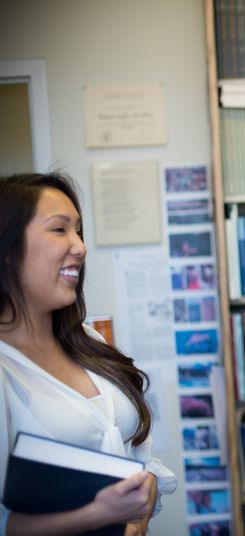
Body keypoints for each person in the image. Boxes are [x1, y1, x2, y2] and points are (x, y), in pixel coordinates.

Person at [0, 173, 177, 535]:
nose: (80, 246)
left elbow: (141, 461)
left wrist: (141, 508)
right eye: (59, 230)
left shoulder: (88, 339)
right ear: (7, 250)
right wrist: (100, 513)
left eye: (78, 230)